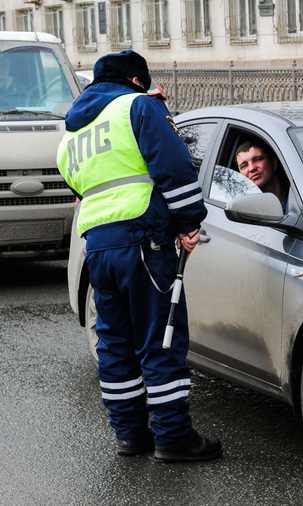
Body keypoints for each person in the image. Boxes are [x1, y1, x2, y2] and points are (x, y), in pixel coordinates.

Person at [56, 50, 222, 462]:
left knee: (115, 343)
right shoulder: (139, 107)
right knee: (159, 339)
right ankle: (173, 438)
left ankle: (130, 434)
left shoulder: (73, 132)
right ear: (134, 81)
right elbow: (174, 167)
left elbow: (76, 182)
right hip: (144, 239)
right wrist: (188, 223)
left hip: (98, 246)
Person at [235, 140, 288, 211]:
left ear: (274, 163)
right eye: (244, 166)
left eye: (257, 160)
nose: (251, 168)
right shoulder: (243, 212)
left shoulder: (299, 196)